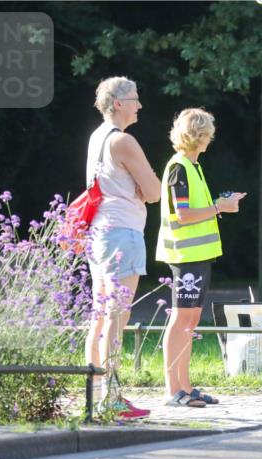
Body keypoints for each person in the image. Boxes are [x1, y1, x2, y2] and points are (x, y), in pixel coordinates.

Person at [84, 76, 161, 419]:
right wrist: (146, 186)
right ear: (118, 103)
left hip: (99, 233)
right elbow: (155, 191)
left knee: (100, 319)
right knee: (117, 319)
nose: (139, 105)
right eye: (135, 98)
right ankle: (111, 398)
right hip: (123, 234)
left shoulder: (97, 137)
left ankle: (94, 392)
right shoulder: (125, 141)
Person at [157, 108, 244, 407]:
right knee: (181, 319)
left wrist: (222, 203)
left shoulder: (193, 166)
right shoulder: (179, 167)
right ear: (199, 135)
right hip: (185, 255)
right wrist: (220, 207)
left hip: (198, 255)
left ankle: (185, 386)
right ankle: (173, 391)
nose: (211, 137)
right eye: (208, 132)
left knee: (189, 321)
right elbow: (182, 215)